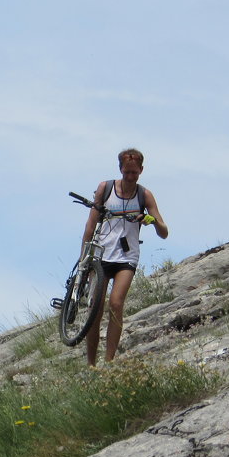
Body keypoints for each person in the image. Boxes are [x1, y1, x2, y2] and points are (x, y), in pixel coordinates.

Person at [80, 148, 169, 366]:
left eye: (134, 173)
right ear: (120, 169)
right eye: (127, 172)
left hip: (127, 256)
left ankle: (109, 362)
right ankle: (91, 364)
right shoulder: (106, 188)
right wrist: (84, 257)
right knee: (96, 308)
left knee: (116, 304)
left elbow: (164, 231)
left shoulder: (144, 195)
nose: (130, 177)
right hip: (101, 254)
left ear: (141, 170)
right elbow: (91, 225)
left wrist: (151, 220)